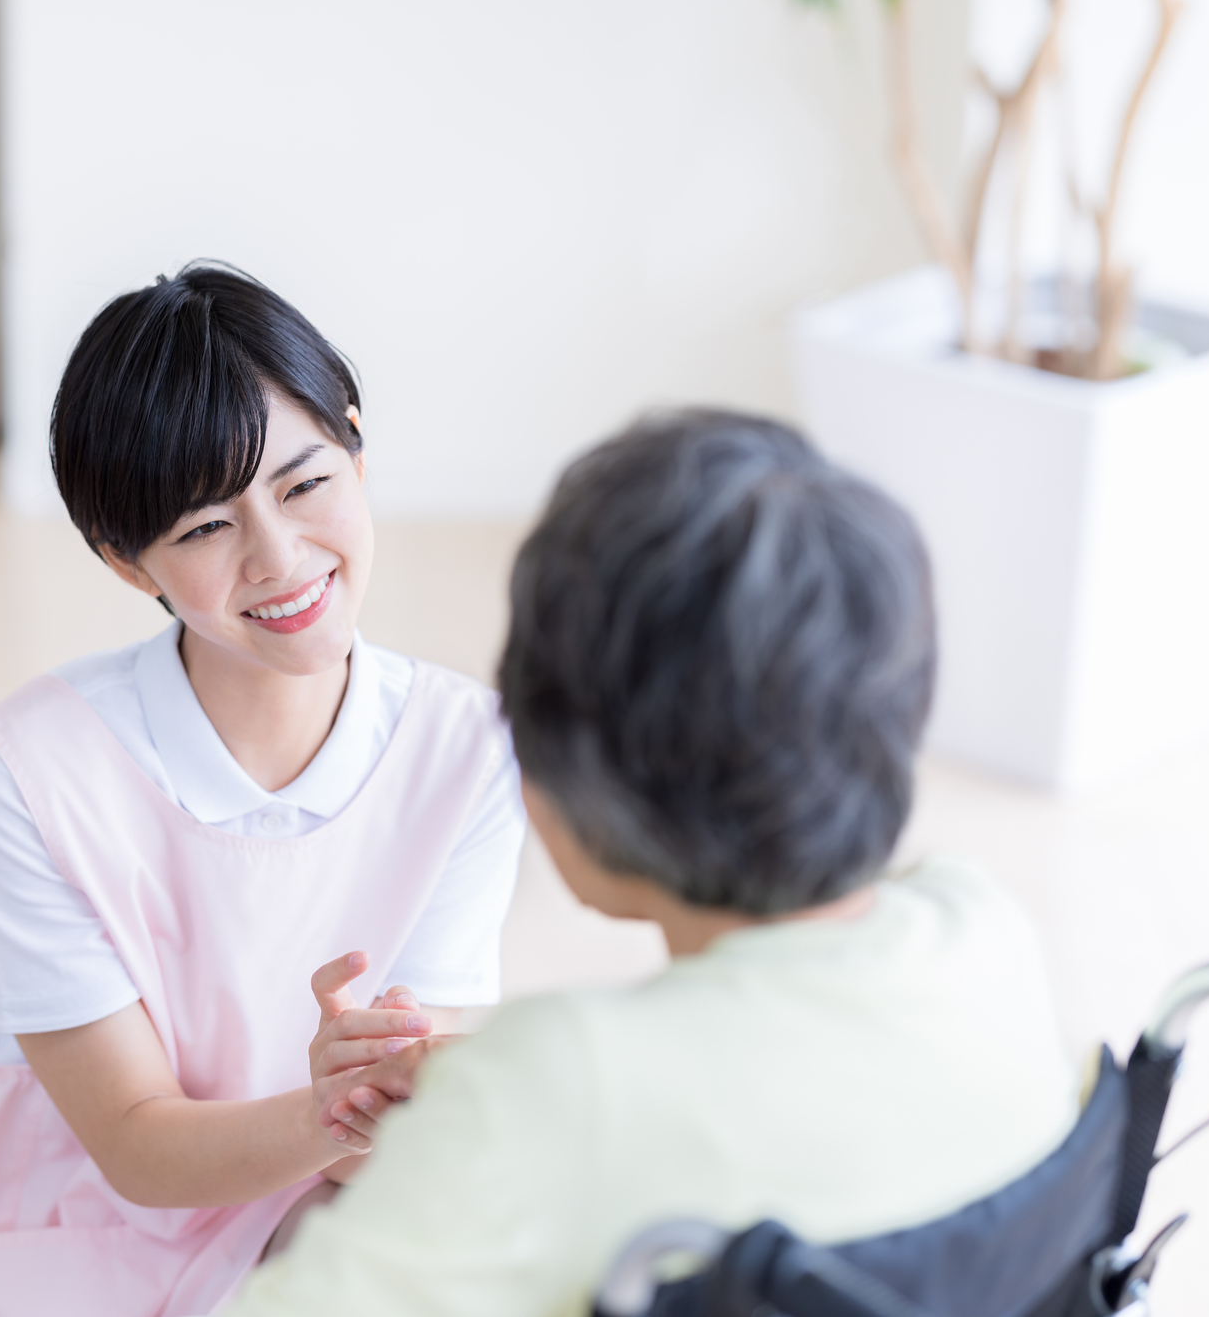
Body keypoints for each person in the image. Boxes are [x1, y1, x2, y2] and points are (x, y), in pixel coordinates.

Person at [223, 410, 1080, 1317]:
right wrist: (472, 1081)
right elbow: (772, 1066)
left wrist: (489, 1104)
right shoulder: (978, 924)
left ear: (565, 773)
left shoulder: (556, 1088)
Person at [0, 263, 525, 1317]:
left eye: (304, 482)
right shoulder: (32, 768)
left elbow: (395, 1144)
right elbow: (133, 1142)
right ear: (126, 564)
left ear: (355, 445)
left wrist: (372, 1105)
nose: (279, 558)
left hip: (291, 1201)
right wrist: (334, 1107)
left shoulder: (464, 750)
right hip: (43, 1222)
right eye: (202, 528)